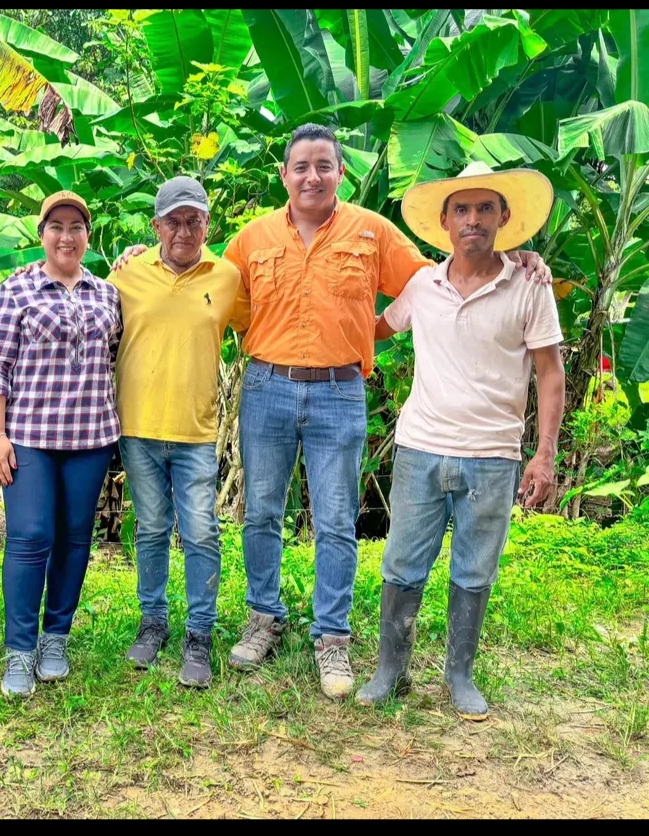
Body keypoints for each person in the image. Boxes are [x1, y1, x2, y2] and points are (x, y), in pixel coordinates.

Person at [112, 123, 554, 700]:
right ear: (284, 175)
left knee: (337, 519)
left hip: (339, 391)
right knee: (261, 512)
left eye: (324, 165)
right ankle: (263, 617)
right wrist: (139, 255)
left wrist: (512, 257)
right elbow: (199, 275)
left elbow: (442, 276)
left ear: (340, 173)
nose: (312, 176)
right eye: (301, 166)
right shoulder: (252, 239)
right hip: (267, 386)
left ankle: (332, 636)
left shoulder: (373, 233)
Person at [357, 161, 565, 719]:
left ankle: (460, 675)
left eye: (484, 208)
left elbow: (550, 373)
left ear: (504, 217)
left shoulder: (529, 285)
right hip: (420, 446)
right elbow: (376, 329)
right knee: (402, 563)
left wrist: (544, 455)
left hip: (493, 455)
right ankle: (390, 670)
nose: (473, 219)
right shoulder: (422, 285)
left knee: (474, 569)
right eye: (462, 210)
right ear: (445, 221)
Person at [0, 191, 122, 698]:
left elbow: (114, 355)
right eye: (56, 227)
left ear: (87, 235)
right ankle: (19, 650)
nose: (66, 236)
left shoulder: (107, 294)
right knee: (30, 536)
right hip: (29, 437)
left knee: (75, 537)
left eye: (76, 227)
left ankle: (55, 637)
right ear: (42, 235)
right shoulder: (17, 290)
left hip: (91, 437)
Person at [111, 176, 249, 688]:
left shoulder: (228, 277)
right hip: (138, 428)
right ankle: (153, 623)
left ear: (207, 224)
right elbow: (83, 307)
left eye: (194, 221)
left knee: (201, 532)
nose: (185, 231)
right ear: (156, 227)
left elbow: (258, 326)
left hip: (196, 430)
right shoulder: (127, 275)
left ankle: (199, 634)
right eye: (174, 221)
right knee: (151, 528)